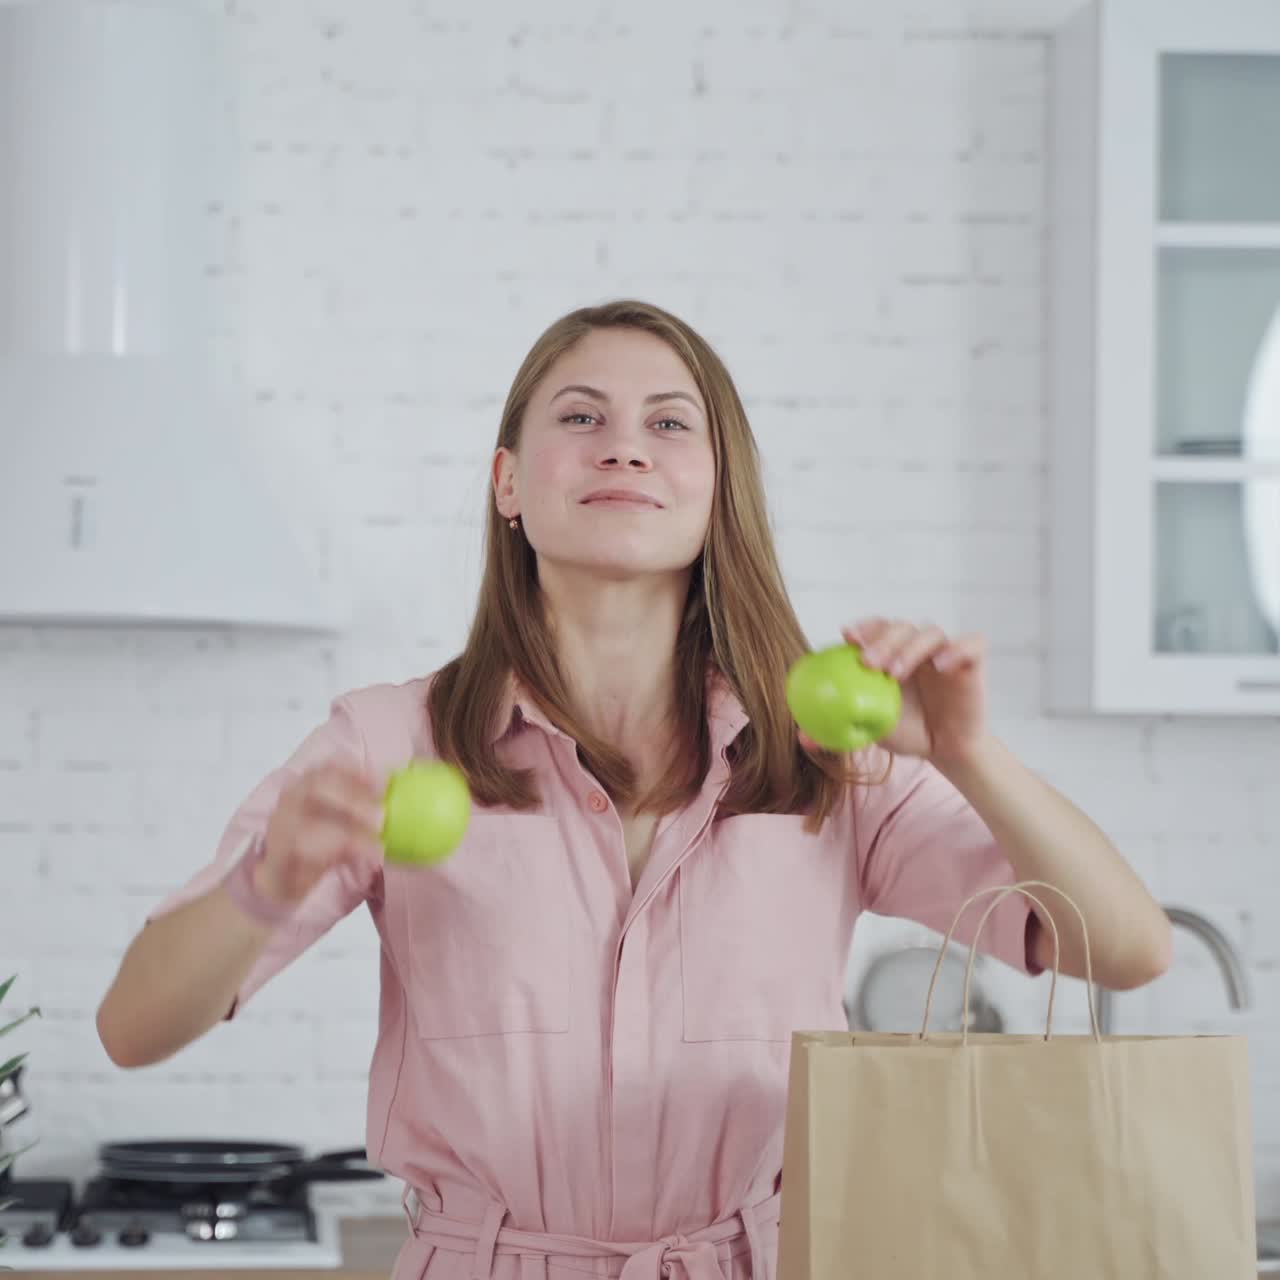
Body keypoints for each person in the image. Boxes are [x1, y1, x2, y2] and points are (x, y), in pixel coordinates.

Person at [96, 299, 1172, 1280]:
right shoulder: (391, 743)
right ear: (507, 481)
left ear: (717, 487)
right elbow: (134, 1026)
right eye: (579, 415)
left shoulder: (823, 756)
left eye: (668, 423)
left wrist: (967, 752)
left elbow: (1123, 947)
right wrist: (266, 881)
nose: (622, 442)